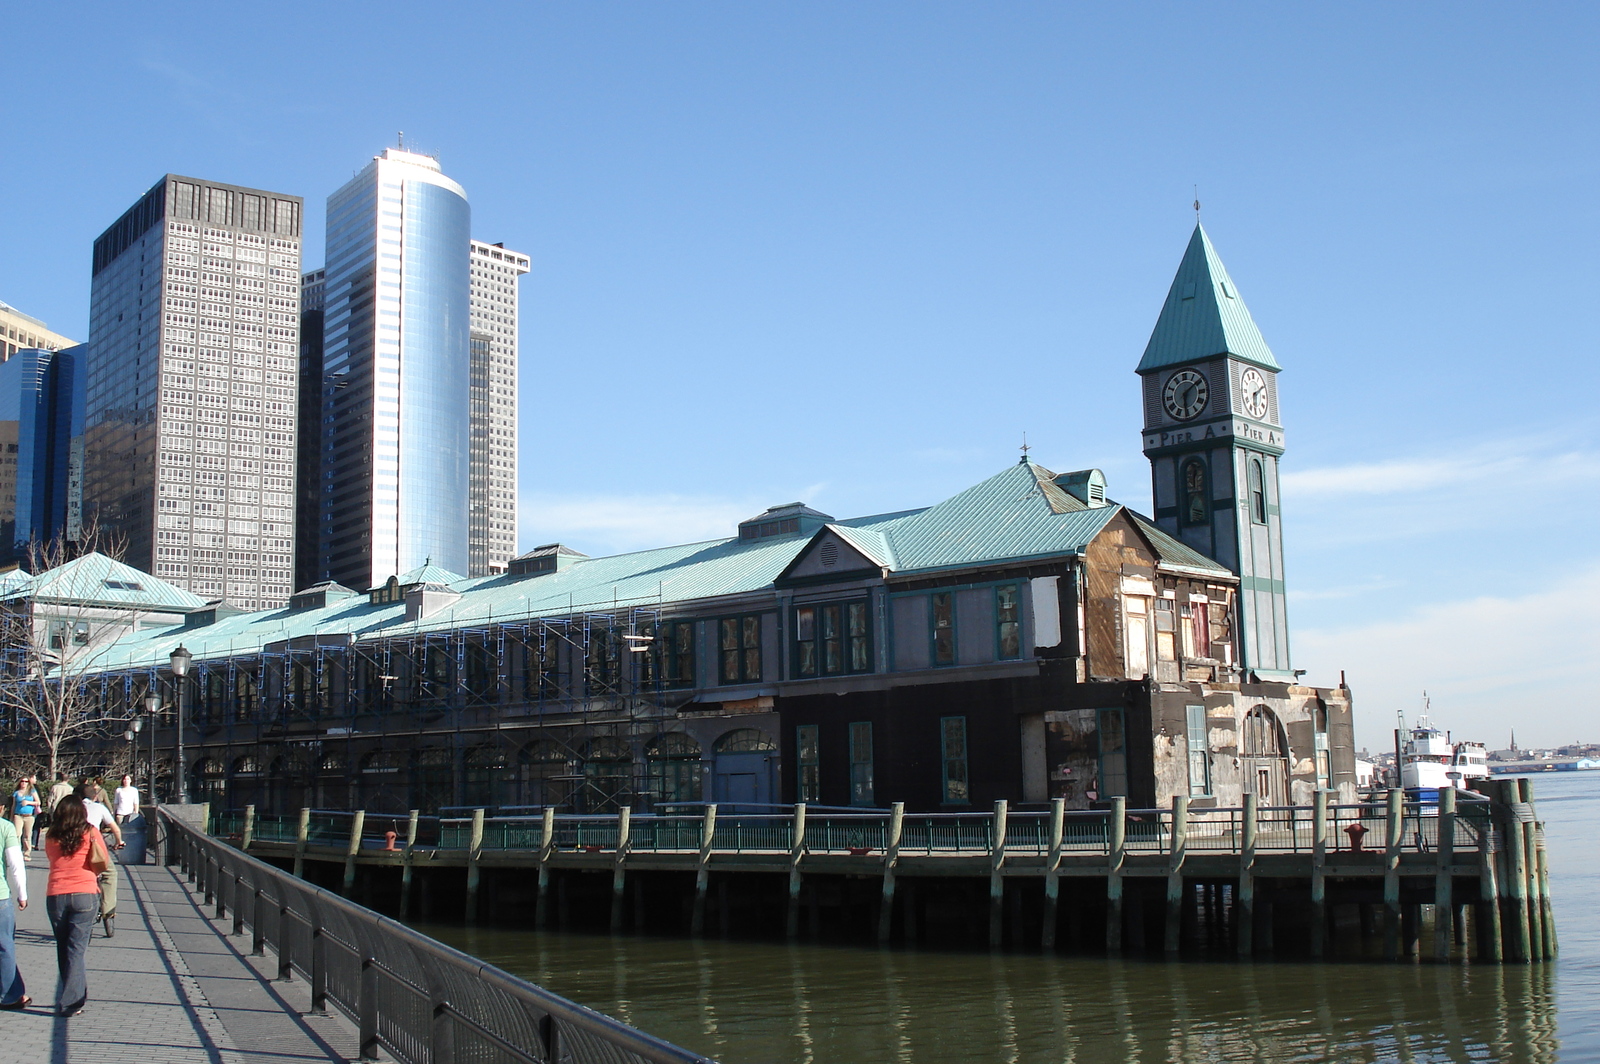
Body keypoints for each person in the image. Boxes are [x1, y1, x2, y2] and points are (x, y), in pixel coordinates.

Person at [45, 794, 103, 1017]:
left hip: (56, 893)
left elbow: (52, 860)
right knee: (76, 949)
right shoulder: (90, 832)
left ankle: (72, 995)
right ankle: (72, 1001)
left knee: (63, 946)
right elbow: (102, 860)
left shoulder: (51, 835)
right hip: (85, 893)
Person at [76, 784, 123, 933]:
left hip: (75, 849)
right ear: (95, 796)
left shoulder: (71, 808)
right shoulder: (100, 808)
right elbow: (115, 828)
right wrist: (119, 842)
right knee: (110, 874)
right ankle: (108, 911)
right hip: (95, 849)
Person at [0, 806, 29, 1010]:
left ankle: (15, 991)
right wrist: (22, 894)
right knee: (4, 946)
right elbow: (15, 863)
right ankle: (9, 995)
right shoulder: (5, 828)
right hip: (0, 896)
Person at [9, 779, 39, 862]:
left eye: (26, 782)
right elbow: (13, 805)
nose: (24, 783)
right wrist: (11, 817)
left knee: (27, 835)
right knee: (17, 834)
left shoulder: (31, 791)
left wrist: (28, 802)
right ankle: (17, 852)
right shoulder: (16, 793)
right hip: (18, 815)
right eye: (22, 781)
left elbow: (38, 802)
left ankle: (26, 853)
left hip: (29, 816)